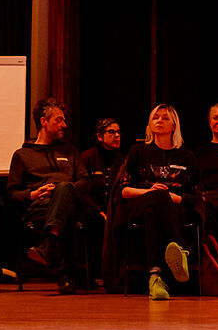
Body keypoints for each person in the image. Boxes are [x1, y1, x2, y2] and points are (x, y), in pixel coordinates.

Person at [115, 104, 201, 300]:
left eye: (164, 118)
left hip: (175, 209)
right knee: (156, 200)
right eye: (155, 117)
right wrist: (150, 192)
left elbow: (196, 196)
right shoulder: (138, 151)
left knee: (152, 212)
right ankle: (179, 250)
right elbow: (124, 191)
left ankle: (155, 277)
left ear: (174, 126)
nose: (159, 121)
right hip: (138, 203)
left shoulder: (188, 156)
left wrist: (175, 198)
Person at [8, 97, 89, 294]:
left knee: (64, 193)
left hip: (70, 202)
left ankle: (49, 244)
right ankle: (67, 275)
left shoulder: (70, 151)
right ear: (44, 122)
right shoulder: (22, 155)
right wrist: (32, 193)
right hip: (39, 208)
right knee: (66, 210)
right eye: (59, 120)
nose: (65, 125)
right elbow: (12, 193)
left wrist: (64, 189)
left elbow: (85, 182)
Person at [80, 118, 125, 286]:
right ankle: (90, 273)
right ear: (100, 136)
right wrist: (98, 211)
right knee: (95, 223)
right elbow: (82, 191)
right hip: (92, 210)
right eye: (111, 132)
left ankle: (117, 276)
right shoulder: (87, 157)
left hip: (116, 210)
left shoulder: (123, 159)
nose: (117, 136)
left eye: (119, 132)